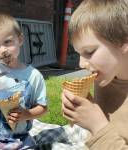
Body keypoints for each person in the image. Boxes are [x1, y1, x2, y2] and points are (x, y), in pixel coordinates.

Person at [62, 0, 128, 149]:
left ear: (123, 43)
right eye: (78, 53)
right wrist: (81, 109)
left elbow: (100, 129)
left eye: (90, 52)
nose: (81, 64)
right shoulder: (105, 76)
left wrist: (97, 126)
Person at [0, 12, 47, 149]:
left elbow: (43, 108)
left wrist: (26, 114)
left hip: (19, 138)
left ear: (20, 40)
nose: (2, 50)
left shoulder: (33, 75)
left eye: (7, 42)